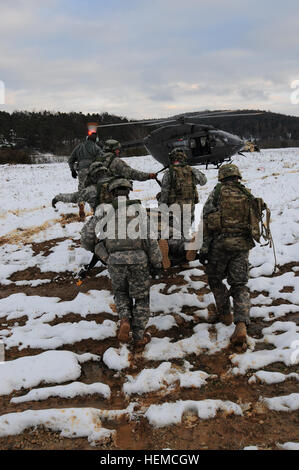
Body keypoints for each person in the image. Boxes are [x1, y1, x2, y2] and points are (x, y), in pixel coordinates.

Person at [82, 178, 162, 352]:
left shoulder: (103, 210)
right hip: (139, 260)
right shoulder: (139, 210)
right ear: (128, 192)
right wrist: (157, 262)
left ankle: (125, 319)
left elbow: (86, 238)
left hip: (115, 261)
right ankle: (139, 337)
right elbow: (150, 239)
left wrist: (102, 253)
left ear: (111, 193)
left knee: (120, 293)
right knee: (141, 297)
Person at [199, 163, 261, 352]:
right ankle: (241, 323)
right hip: (242, 246)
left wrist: (203, 248)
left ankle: (225, 313)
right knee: (240, 284)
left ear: (222, 177)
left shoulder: (216, 194)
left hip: (220, 245)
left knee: (215, 278)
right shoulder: (247, 195)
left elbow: (206, 221)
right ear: (237, 176)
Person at [52, 132, 102, 219]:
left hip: (82, 171)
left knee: (82, 191)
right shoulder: (96, 147)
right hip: (93, 171)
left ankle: (81, 203)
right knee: (93, 190)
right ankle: (94, 209)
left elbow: (70, 160)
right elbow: (101, 159)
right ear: (95, 140)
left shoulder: (79, 147)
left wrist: (73, 171)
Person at [158, 148, 207, 238]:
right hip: (189, 208)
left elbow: (164, 193)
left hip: (174, 209)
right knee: (185, 231)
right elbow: (203, 181)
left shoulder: (169, 173)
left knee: (175, 234)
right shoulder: (191, 170)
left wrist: (161, 208)